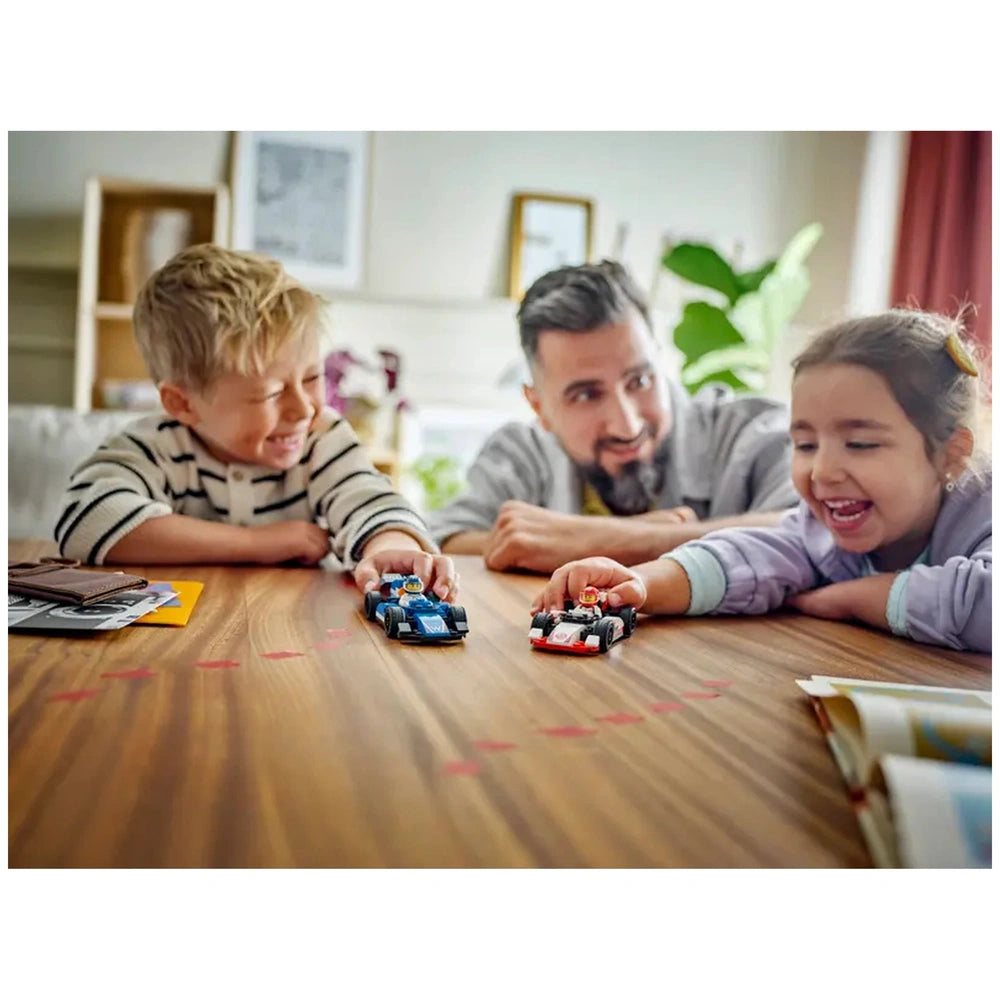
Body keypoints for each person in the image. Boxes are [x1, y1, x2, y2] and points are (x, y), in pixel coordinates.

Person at [531, 309, 991, 653]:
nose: (822, 472)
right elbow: (745, 558)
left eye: (861, 444)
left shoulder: (985, 510)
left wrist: (857, 599)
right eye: (806, 444)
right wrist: (640, 583)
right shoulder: (818, 531)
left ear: (951, 452)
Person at [54, 244, 455, 599]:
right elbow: (88, 521)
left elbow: (368, 500)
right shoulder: (156, 445)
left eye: (312, 378)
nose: (304, 409)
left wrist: (389, 547)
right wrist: (254, 543)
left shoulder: (322, 439)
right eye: (272, 393)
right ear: (183, 404)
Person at [427, 259, 800, 574]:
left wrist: (607, 541)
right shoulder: (520, 452)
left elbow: (813, 533)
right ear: (539, 406)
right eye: (586, 395)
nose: (628, 425)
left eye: (639, 380)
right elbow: (442, 539)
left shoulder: (751, 433)